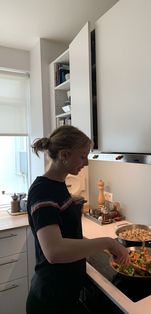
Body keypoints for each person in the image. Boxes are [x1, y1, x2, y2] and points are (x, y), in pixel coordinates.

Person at [26, 125, 130, 314]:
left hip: (65, 294)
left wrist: (106, 247)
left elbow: (68, 236)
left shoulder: (57, 186)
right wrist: (107, 242)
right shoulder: (43, 192)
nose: (87, 163)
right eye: (83, 156)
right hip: (51, 301)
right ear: (64, 155)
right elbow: (54, 251)